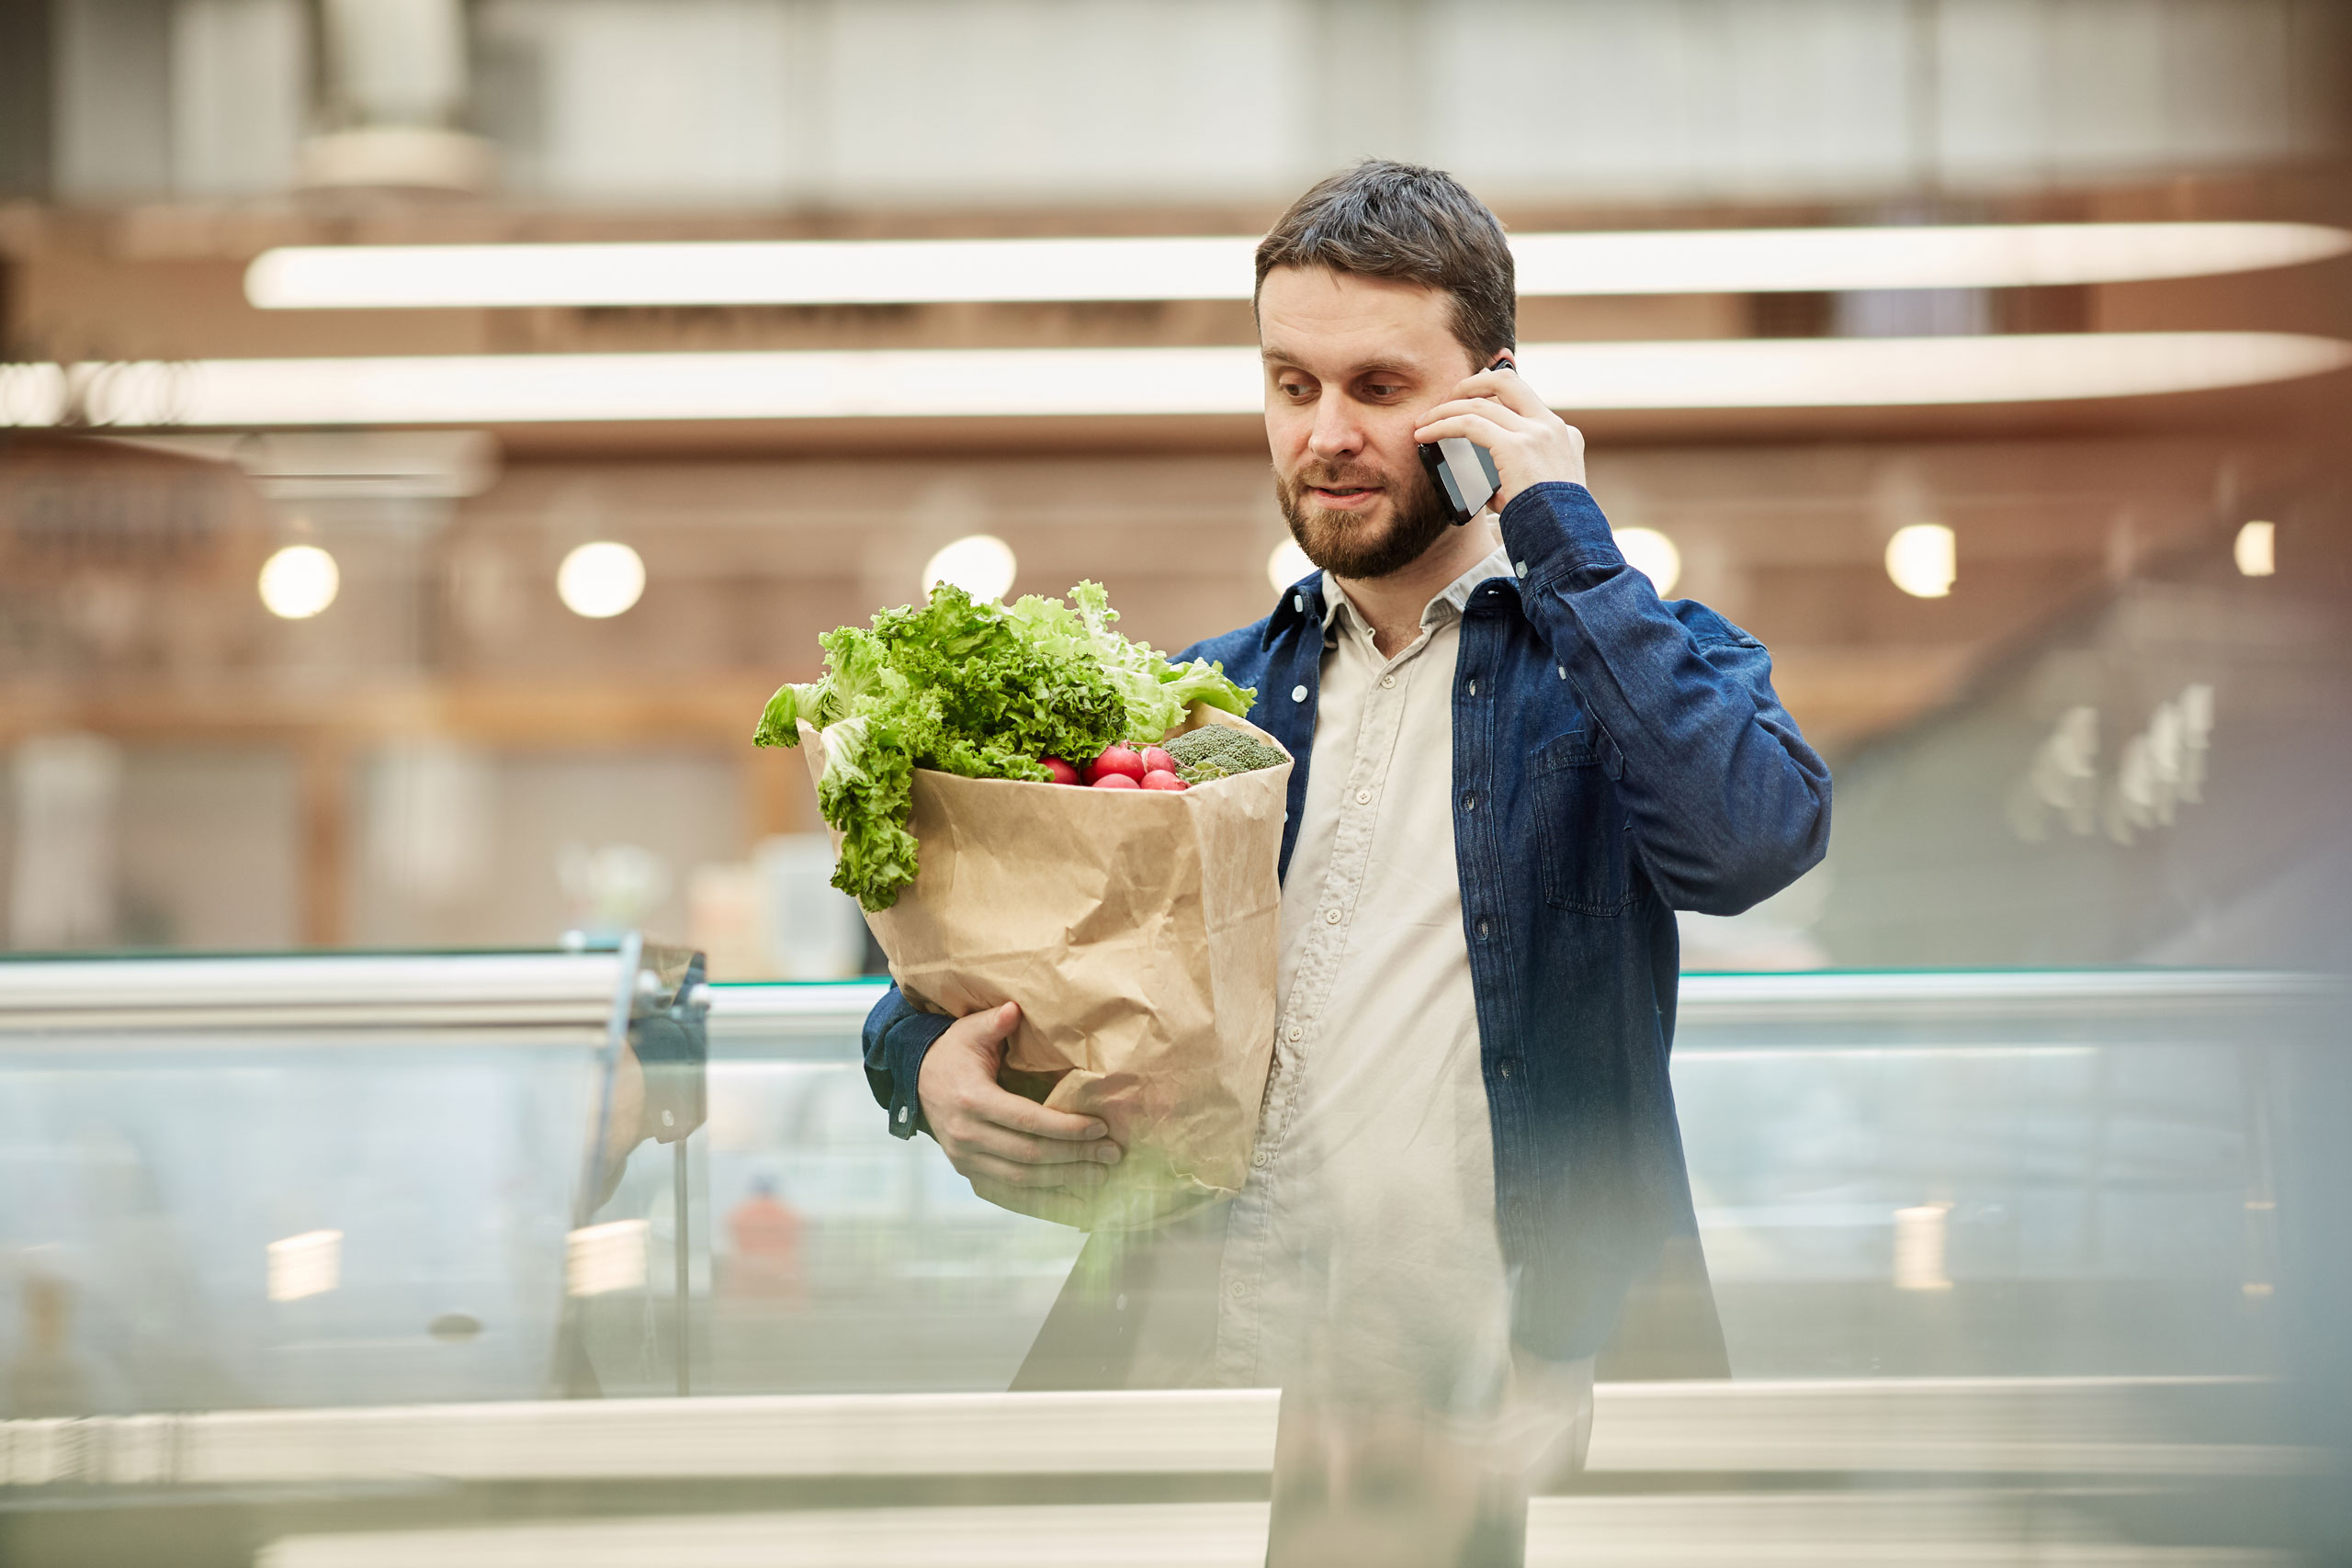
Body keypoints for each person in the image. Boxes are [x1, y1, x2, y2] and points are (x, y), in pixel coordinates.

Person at [860, 161, 1831, 1562]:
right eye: (1290, 384)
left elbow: (1749, 842)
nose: (1325, 433)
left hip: (1521, 1411)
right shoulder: (1193, 705)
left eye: (1379, 388)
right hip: (1212, 1404)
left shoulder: (1628, 659)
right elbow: (984, 957)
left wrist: (1559, 526)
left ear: (1490, 392)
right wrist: (927, 1064)